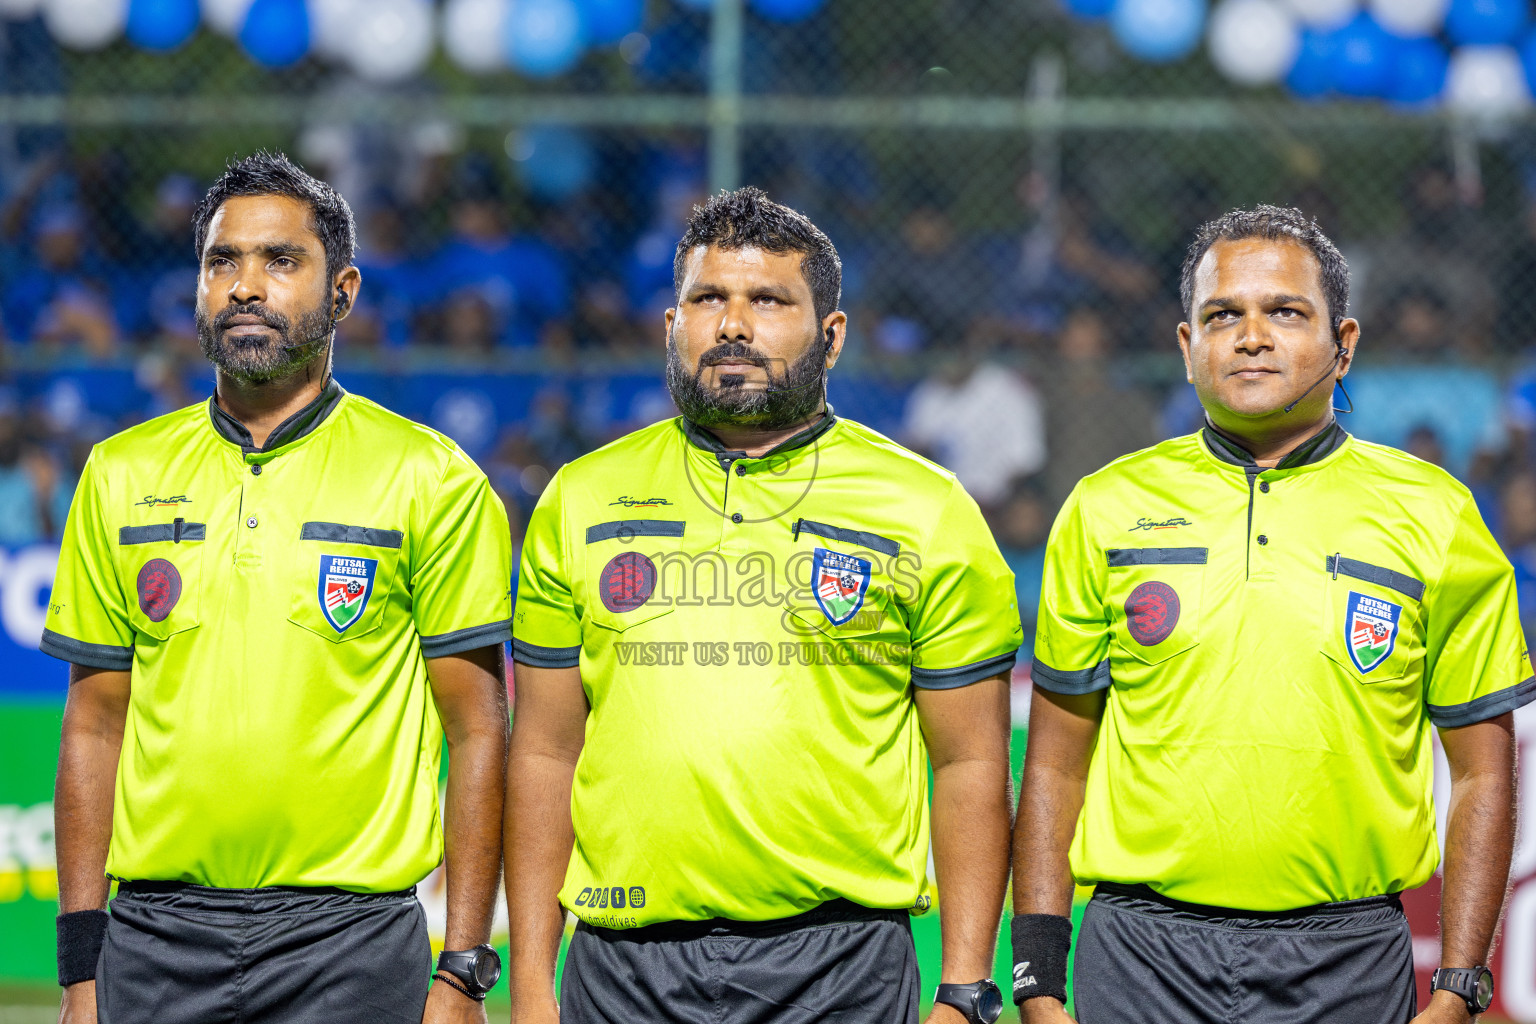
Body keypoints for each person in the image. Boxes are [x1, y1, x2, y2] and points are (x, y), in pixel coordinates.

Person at [507, 187, 1022, 1024]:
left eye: (770, 301)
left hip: (839, 967)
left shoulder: (925, 507)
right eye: (708, 299)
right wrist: (530, 985)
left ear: (832, 334)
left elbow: (968, 764)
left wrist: (965, 989)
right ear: (672, 325)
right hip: (621, 969)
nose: (734, 325)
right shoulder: (581, 498)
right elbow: (543, 754)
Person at [1013, 205, 1529, 1024]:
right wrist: (1037, 979)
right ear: (1187, 349)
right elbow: (1054, 766)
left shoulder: (1437, 515)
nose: (1252, 335)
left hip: (1349, 957)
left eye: (1286, 312)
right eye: (1223, 315)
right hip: (1140, 957)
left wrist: (1462, 985)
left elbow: (1481, 771)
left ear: (1344, 342)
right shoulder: (1104, 508)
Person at [44, 152, 513, 1024]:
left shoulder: (429, 477)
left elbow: (478, 728)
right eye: (223, 262)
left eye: (281, 261)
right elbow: (95, 722)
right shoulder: (119, 473)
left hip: (354, 943)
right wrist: (81, 967)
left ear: (344, 293)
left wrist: (463, 971)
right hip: (154, 937)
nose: (246, 286)